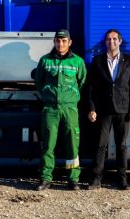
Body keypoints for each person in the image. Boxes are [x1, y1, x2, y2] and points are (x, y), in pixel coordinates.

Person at [33, 29, 87, 191]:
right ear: (54, 42)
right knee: (48, 144)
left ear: (70, 42)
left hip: (70, 108)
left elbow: (82, 83)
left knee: (72, 144)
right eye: (58, 40)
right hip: (50, 109)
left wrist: (70, 98)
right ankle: (46, 178)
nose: (60, 44)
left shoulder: (78, 62)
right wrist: (48, 96)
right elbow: (39, 82)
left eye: (64, 41)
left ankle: (73, 178)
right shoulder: (45, 61)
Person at [86, 29, 130, 190]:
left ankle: (122, 179)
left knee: (121, 146)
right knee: (100, 145)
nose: (112, 41)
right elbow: (91, 87)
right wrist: (91, 108)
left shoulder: (129, 60)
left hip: (123, 109)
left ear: (120, 41)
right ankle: (96, 179)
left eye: (115, 39)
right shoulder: (97, 61)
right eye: (109, 39)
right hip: (103, 110)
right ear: (105, 42)